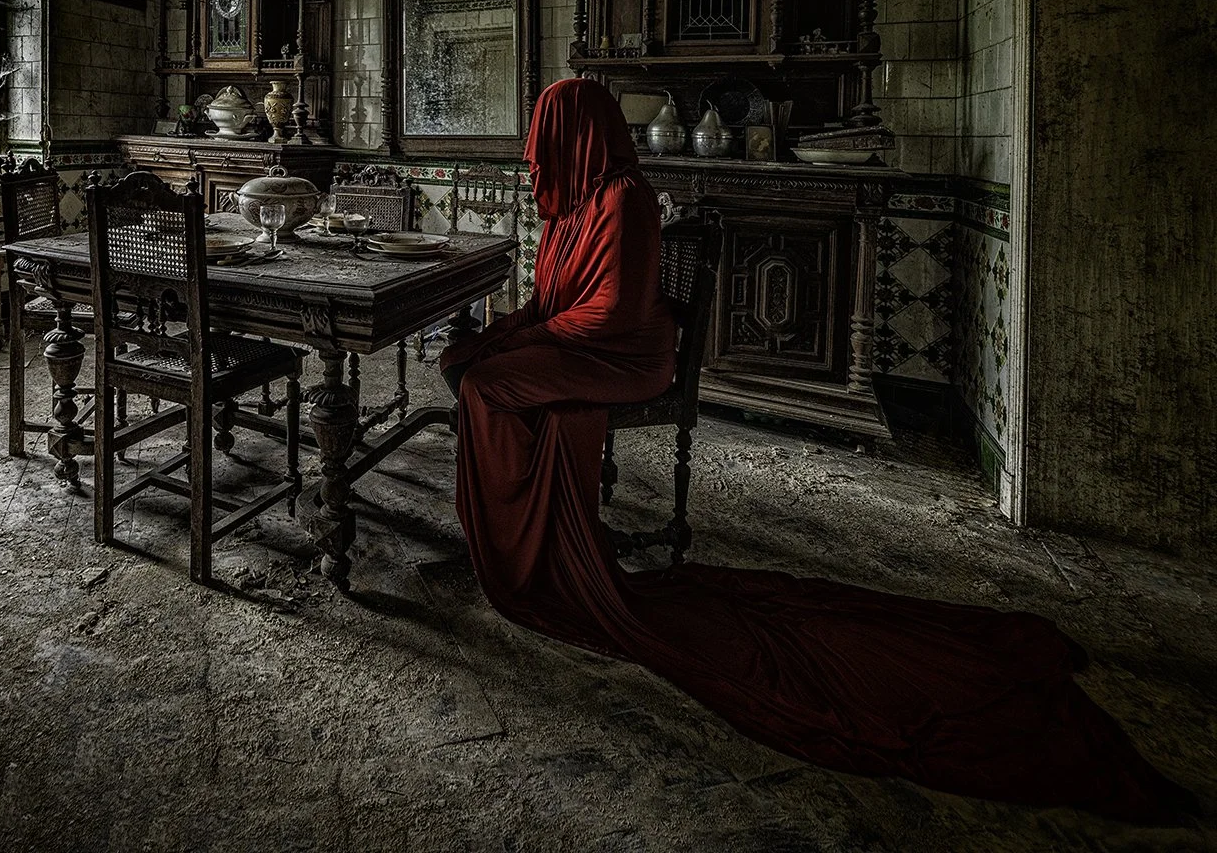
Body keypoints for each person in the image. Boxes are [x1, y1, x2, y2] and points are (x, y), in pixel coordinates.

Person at [439, 77, 1194, 823]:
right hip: (582, 344)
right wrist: (508, 332)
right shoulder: (571, 203)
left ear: (578, 132)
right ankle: (526, 530)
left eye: (546, 134)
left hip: (624, 356)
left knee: (486, 386)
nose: (535, 152)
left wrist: (518, 344)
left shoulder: (624, 199)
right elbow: (550, 304)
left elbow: (609, 317)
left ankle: (521, 547)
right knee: (471, 364)